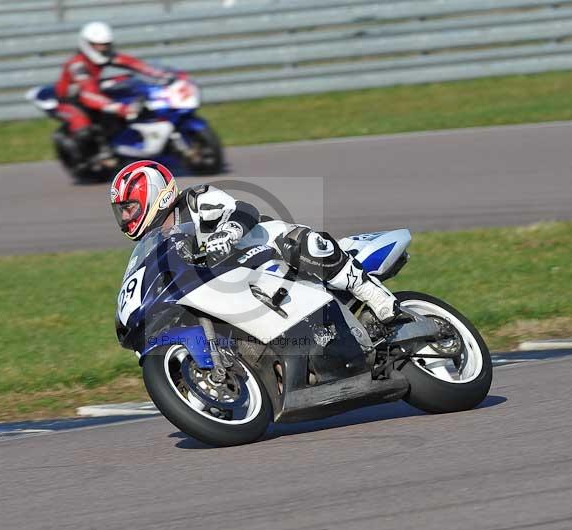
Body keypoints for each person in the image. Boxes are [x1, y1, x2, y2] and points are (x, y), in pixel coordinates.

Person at [110, 160, 400, 323]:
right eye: (121, 211)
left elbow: (243, 209)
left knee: (305, 243)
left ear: (155, 194)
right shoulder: (156, 246)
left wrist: (228, 233)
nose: (125, 217)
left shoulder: (195, 200)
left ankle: (377, 297)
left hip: (265, 249)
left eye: (129, 207)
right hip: (234, 288)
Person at [55, 21, 170, 166]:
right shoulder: (78, 65)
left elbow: (132, 63)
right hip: (71, 101)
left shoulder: (105, 55)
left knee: (129, 87)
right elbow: (88, 94)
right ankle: (83, 159)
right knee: (83, 129)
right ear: (86, 44)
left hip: (91, 91)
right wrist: (120, 108)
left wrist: (159, 74)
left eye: (105, 44)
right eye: (97, 45)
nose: (102, 48)